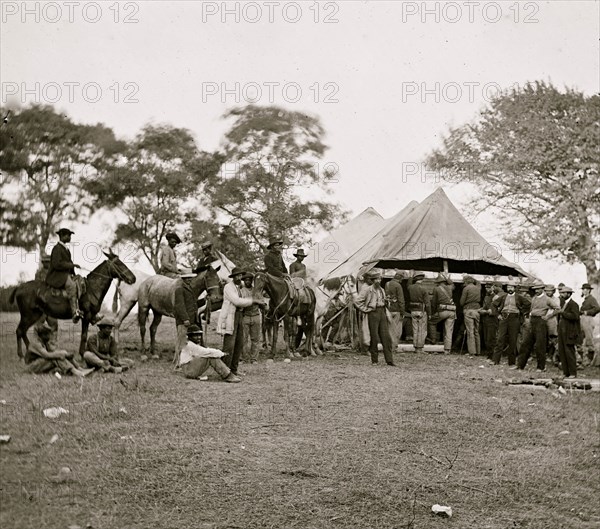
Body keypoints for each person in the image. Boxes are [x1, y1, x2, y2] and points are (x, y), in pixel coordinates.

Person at [217, 267, 266, 375]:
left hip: (239, 316)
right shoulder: (228, 287)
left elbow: (254, 288)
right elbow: (237, 301)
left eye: (240, 276)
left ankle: (234, 369)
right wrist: (254, 300)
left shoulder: (240, 287)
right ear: (233, 277)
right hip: (231, 316)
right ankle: (225, 370)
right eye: (236, 276)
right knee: (229, 345)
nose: (239, 278)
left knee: (239, 343)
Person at [25, 321, 93, 377]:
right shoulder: (36, 343)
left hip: (41, 363)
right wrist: (61, 354)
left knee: (61, 355)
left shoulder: (44, 341)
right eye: (48, 334)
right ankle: (77, 372)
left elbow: (53, 351)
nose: (50, 336)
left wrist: (65, 354)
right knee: (57, 357)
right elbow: (47, 355)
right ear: (42, 335)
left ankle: (79, 369)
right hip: (32, 366)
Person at [355, 269, 395, 366]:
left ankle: (389, 360)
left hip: (382, 312)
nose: (378, 281)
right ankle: (374, 360)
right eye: (376, 279)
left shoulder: (382, 290)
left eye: (379, 279)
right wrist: (366, 309)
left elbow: (383, 301)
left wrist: (388, 302)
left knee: (386, 337)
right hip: (373, 313)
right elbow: (357, 301)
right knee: (374, 337)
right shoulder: (367, 289)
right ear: (372, 280)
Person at [516, 282, 555, 372]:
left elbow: (558, 308)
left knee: (540, 345)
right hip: (532, 321)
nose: (536, 291)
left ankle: (541, 367)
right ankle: (520, 365)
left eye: (538, 289)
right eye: (535, 289)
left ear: (542, 289)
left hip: (541, 322)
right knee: (526, 343)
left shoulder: (547, 299)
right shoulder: (534, 298)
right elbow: (531, 310)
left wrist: (548, 316)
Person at [46, 228, 82, 323]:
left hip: (65, 274)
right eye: (68, 235)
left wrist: (73, 273)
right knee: (72, 286)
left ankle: (82, 309)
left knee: (80, 283)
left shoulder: (66, 249)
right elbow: (56, 264)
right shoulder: (57, 248)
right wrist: (72, 265)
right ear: (62, 236)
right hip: (57, 275)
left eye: (70, 235)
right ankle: (74, 312)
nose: (70, 237)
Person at [491, 280, 531, 366]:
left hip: (514, 318)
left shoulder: (519, 297)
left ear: (515, 288)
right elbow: (494, 305)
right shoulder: (503, 297)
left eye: (512, 287)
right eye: (508, 287)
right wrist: (497, 314)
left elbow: (528, 304)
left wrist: (523, 312)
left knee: (513, 340)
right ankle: (495, 360)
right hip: (504, 317)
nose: (510, 289)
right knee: (500, 338)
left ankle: (511, 362)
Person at [173, 273, 200, 365]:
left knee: (186, 343)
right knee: (181, 342)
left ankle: (184, 363)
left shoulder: (189, 289)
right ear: (183, 279)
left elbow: (192, 304)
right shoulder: (179, 289)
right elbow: (180, 306)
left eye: (190, 278)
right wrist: (185, 319)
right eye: (187, 278)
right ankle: (178, 364)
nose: (189, 280)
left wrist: (205, 300)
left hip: (190, 320)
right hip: (183, 321)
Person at [557, 285, 581, 379]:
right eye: (561, 293)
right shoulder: (563, 304)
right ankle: (565, 372)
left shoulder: (574, 304)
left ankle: (573, 373)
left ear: (569, 294)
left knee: (569, 352)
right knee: (562, 352)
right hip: (562, 331)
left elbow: (575, 316)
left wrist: (563, 313)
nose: (562, 294)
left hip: (570, 332)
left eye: (563, 293)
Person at [428, 273, 455, 355]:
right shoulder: (450, 288)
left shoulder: (436, 289)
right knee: (448, 330)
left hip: (442, 311)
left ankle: (433, 340)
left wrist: (433, 312)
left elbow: (434, 302)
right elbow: (452, 284)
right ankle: (447, 349)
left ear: (438, 282)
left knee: (431, 322)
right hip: (452, 311)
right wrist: (447, 278)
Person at [241, 272, 262, 364]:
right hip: (245, 316)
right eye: (246, 280)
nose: (248, 281)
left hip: (255, 315)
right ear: (244, 281)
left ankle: (254, 358)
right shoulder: (241, 291)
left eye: (249, 280)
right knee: (243, 339)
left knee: (255, 339)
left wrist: (257, 302)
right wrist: (253, 301)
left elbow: (262, 303)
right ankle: (244, 358)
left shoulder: (256, 291)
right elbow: (241, 302)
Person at [407, 272, 430, 354]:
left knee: (415, 329)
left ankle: (415, 347)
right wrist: (429, 313)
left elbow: (408, 284)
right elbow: (427, 303)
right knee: (422, 330)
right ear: (422, 280)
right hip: (422, 311)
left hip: (413, 310)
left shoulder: (410, 288)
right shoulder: (424, 289)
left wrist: (410, 277)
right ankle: (420, 348)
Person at [460, 275, 481, 356]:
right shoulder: (478, 287)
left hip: (469, 310)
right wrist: (471, 277)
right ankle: (478, 351)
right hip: (477, 310)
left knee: (470, 332)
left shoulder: (466, 289)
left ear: (466, 282)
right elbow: (478, 282)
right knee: (476, 331)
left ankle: (472, 352)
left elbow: (462, 302)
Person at [385, 271, 406, 351]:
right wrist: (402, 312)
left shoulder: (387, 284)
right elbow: (401, 300)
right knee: (397, 328)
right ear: (400, 278)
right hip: (396, 309)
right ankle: (394, 346)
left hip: (388, 309)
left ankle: (389, 346)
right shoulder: (398, 285)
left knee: (389, 328)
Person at [579, 283, 599, 364]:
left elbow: (597, 308)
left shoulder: (591, 299)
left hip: (588, 319)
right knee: (582, 338)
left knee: (589, 339)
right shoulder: (585, 299)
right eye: (583, 289)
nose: (584, 291)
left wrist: (587, 312)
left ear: (589, 290)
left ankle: (591, 359)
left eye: (586, 289)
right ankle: (584, 358)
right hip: (583, 319)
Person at [479, 281, 499, 359]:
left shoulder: (495, 297)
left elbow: (492, 311)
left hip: (492, 320)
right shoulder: (486, 297)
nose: (487, 289)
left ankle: (493, 356)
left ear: (493, 288)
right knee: (486, 338)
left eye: (489, 287)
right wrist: (480, 309)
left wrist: (483, 311)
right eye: (486, 287)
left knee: (491, 338)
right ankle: (489, 355)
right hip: (485, 320)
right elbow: (484, 307)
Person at [543, 285, 561, 365]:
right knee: (543, 337)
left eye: (550, 291)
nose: (548, 292)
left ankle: (551, 356)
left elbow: (557, 310)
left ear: (553, 291)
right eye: (547, 291)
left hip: (551, 319)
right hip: (542, 319)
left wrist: (549, 316)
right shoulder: (542, 298)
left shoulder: (556, 299)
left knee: (553, 338)